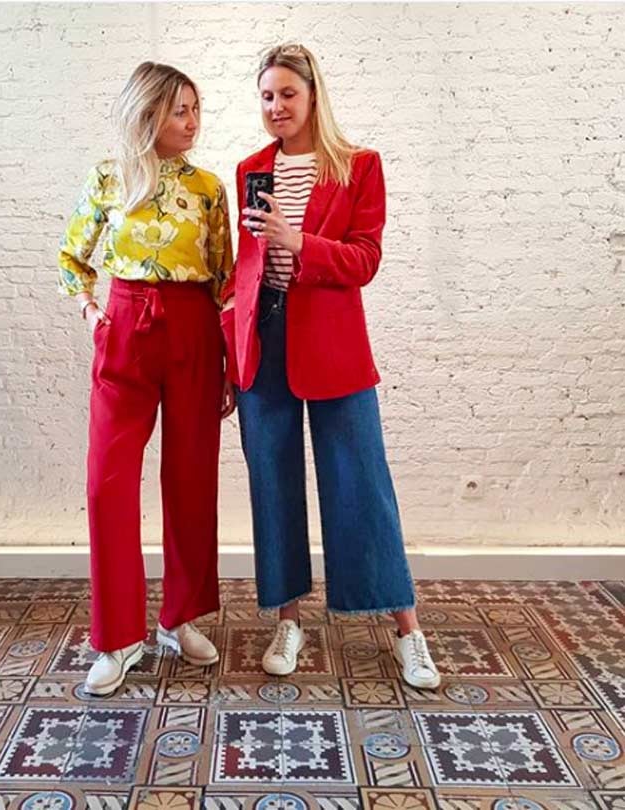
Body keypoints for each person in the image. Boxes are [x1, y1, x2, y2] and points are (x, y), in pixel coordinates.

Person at [221, 43, 440, 689]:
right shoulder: (250, 169)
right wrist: (229, 346)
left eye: (287, 93)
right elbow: (244, 267)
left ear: (314, 94)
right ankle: (287, 620)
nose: (276, 106)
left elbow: (364, 260)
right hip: (263, 343)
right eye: (266, 96)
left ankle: (408, 629)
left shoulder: (358, 165)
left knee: (362, 483)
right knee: (273, 484)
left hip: (334, 344)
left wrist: (298, 241)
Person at [58, 61, 235, 696]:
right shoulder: (109, 178)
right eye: (180, 110)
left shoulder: (209, 188)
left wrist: (229, 364)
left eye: (196, 109)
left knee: (190, 477)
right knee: (107, 483)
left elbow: (225, 280)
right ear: (149, 112)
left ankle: (179, 617)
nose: (192, 121)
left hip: (193, 333)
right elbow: (71, 256)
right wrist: (93, 314)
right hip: (126, 328)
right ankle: (117, 637)